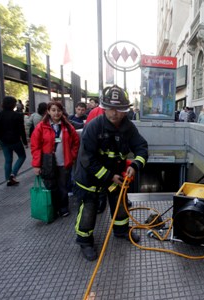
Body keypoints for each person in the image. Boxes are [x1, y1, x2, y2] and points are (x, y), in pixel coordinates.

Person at [74, 85, 148, 261]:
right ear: (104, 108)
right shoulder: (93, 127)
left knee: (120, 203)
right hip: (91, 177)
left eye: (119, 109)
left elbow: (142, 147)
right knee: (89, 209)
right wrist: (109, 176)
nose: (114, 114)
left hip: (115, 176)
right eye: (110, 109)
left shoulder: (128, 127)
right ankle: (85, 241)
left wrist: (136, 164)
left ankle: (121, 231)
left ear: (125, 110)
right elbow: (87, 159)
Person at [31, 101, 80, 218]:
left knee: (63, 187)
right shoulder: (41, 127)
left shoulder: (68, 126)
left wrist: (72, 156)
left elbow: (75, 142)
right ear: (48, 111)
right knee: (51, 186)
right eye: (53, 110)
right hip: (47, 163)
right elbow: (35, 147)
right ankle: (53, 208)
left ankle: (63, 208)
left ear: (62, 111)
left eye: (58, 110)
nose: (56, 113)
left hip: (64, 162)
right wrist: (36, 165)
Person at [0, 96, 28, 186]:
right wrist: (25, 142)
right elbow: (22, 130)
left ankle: (8, 179)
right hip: (15, 140)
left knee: (8, 160)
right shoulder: (17, 115)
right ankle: (13, 174)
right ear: (13, 105)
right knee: (22, 156)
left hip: (3, 140)